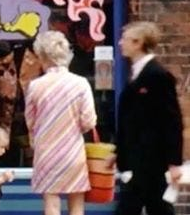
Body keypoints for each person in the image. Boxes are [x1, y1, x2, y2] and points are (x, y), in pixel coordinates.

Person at [112, 21, 182, 215]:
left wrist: (174, 162)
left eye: (125, 39)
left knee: (142, 207)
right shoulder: (136, 73)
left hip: (152, 159)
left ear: (138, 43)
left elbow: (171, 120)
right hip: (138, 159)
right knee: (156, 207)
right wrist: (119, 151)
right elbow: (130, 120)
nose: (120, 43)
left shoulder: (158, 75)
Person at [24, 31, 96, 215]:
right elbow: (89, 122)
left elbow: (30, 121)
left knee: (51, 203)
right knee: (77, 204)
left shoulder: (35, 86)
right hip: (73, 151)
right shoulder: (81, 83)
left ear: (42, 56)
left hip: (46, 152)